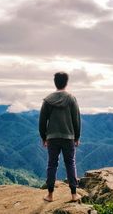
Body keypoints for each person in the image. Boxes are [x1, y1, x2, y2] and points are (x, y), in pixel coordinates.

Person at [39, 71, 81, 202]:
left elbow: (42, 121)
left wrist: (44, 137)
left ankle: (50, 195)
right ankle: (74, 194)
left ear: (55, 82)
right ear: (66, 82)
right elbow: (76, 119)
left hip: (52, 137)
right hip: (68, 137)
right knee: (70, 163)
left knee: (52, 164)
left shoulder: (48, 100)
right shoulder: (71, 99)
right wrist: (77, 137)